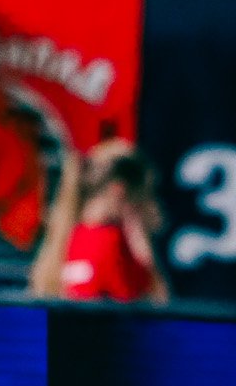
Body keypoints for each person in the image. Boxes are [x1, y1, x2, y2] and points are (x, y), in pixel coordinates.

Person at [28, 128, 170, 304]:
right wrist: (143, 247)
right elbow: (158, 304)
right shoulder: (115, 244)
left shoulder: (70, 238)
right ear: (120, 190)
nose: (151, 208)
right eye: (144, 196)